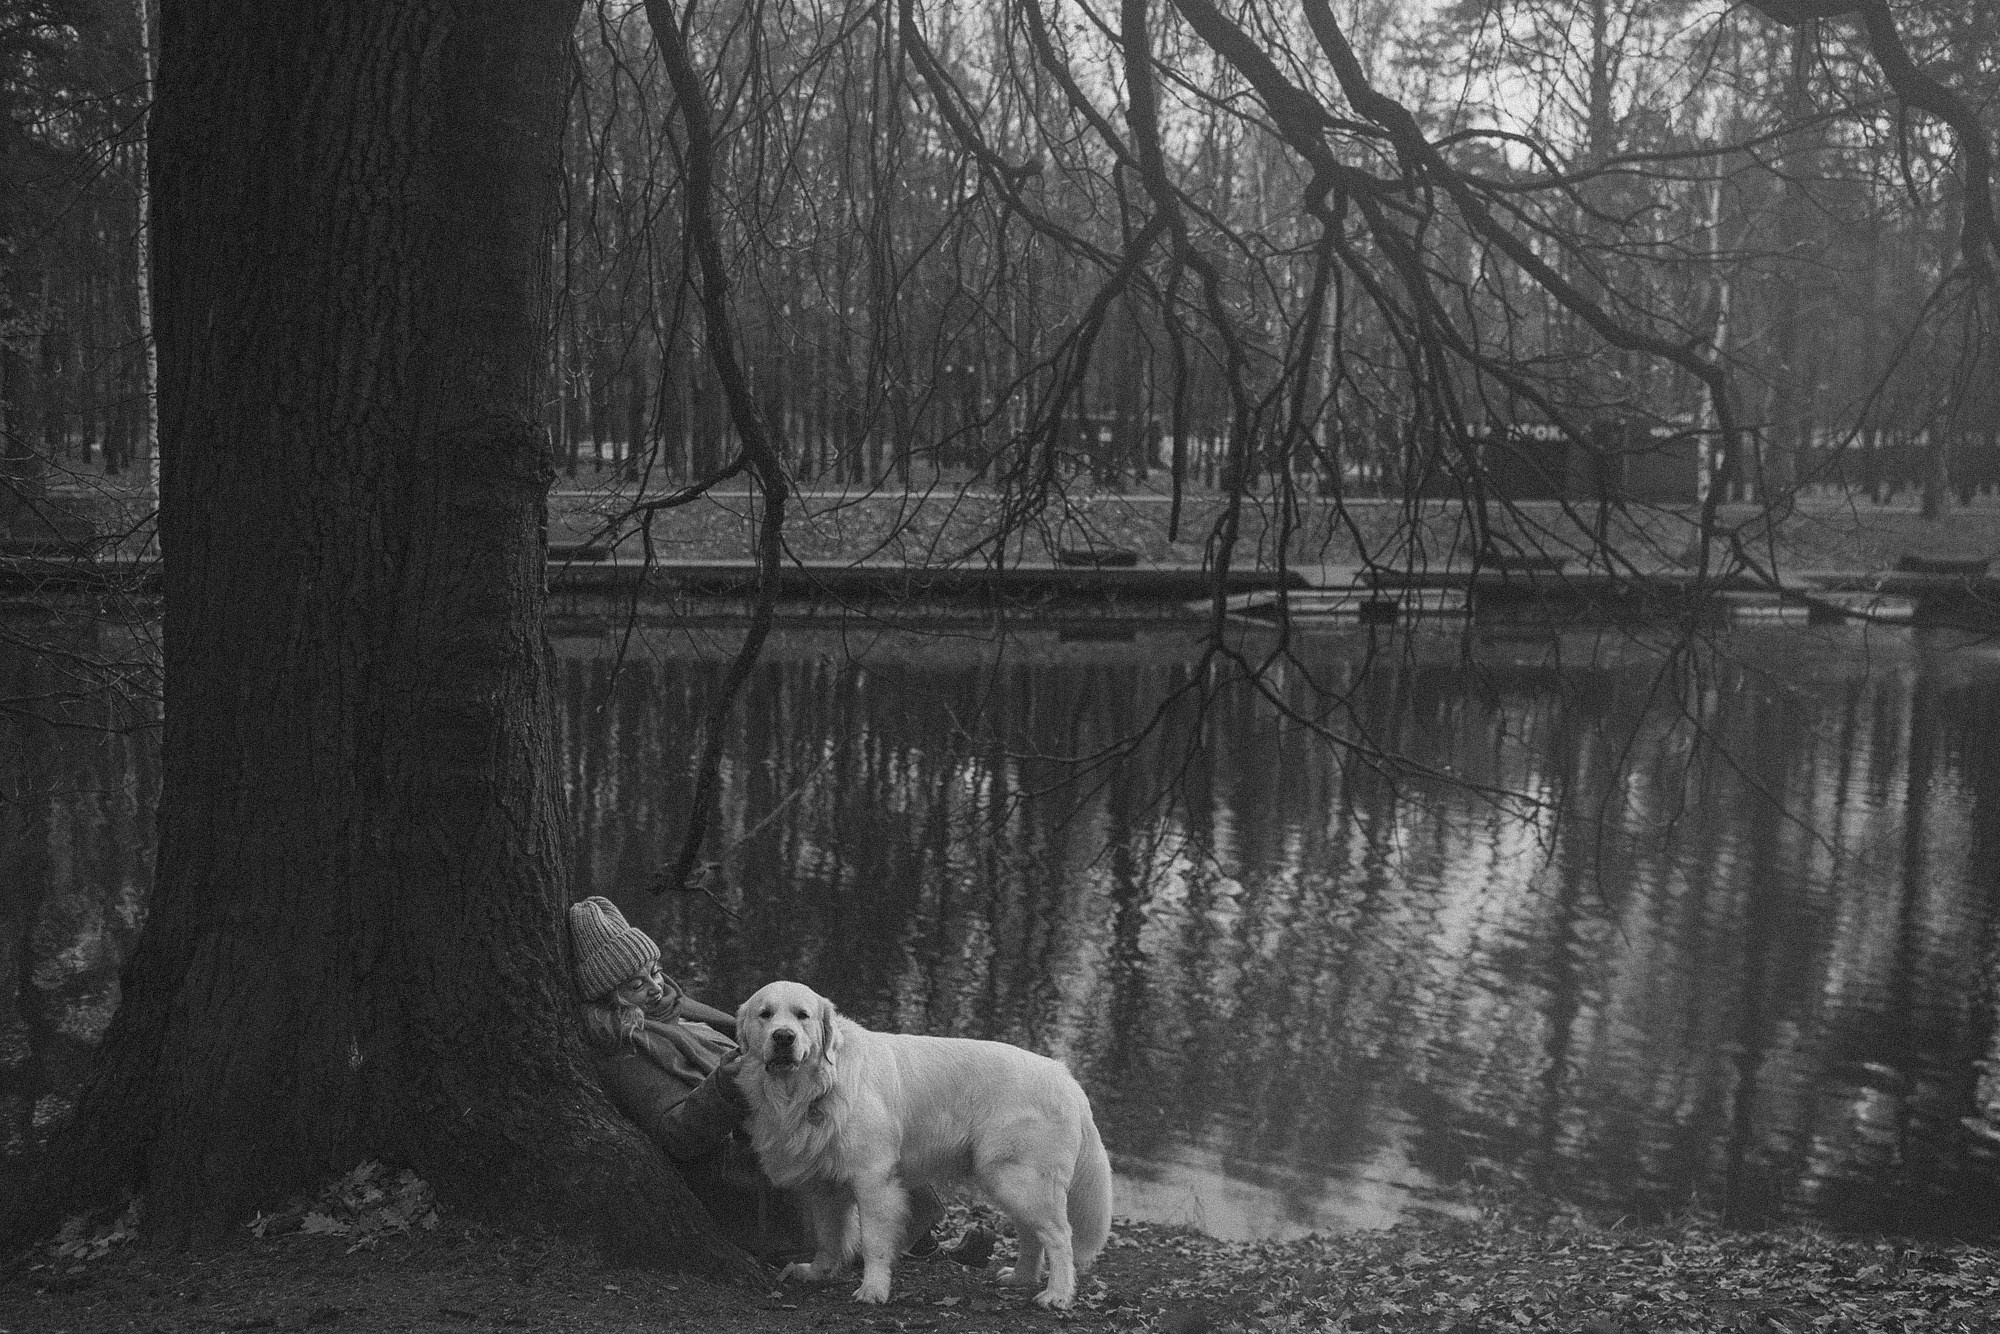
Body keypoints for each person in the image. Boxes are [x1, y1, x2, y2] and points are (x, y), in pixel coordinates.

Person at [568, 896, 982, 1261]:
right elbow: (673, 1133)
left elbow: (760, 1034)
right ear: (611, 998)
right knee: (853, 1143)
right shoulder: (625, 1048)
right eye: (636, 985)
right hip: (738, 1160)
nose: (655, 988)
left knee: (869, 1114)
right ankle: (895, 1252)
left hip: (771, 1118)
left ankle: (918, 1246)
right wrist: (726, 1087)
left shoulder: (675, 1011)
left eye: (655, 971)